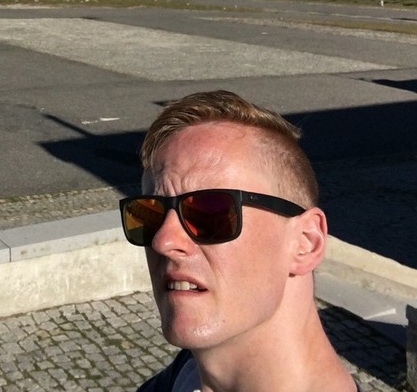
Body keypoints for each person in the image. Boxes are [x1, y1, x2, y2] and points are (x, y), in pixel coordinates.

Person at [119, 90, 358, 392]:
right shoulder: (183, 375)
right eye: (149, 214)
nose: (163, 240)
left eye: (210, 211)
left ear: (306, 242)